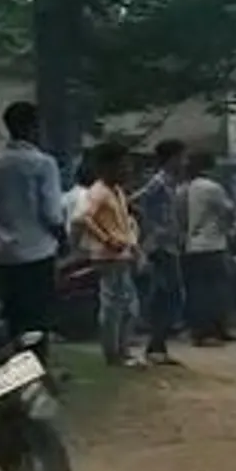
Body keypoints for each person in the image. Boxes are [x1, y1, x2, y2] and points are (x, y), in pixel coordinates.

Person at [0, 101, 66, 358]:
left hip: (5, 254)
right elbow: (52, 213)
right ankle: (37, 370)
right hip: (37, 252)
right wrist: (63, 239)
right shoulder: (43, 163)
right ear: (33, 127)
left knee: (14, 320)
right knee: (38, 320)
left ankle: (15, 370)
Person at [75, 142, 143, 368]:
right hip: (108, 256)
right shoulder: (99, 191)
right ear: (107, 166)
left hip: (121, 255)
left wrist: (133, 247)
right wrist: (106, 239)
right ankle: (114, 354)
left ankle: (122, 351)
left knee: (127, 307)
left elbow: (123, 223)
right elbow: (83, 218)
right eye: (124, 165)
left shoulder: (117, 191)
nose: (128, 170)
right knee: (114, 307)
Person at [130, 140, 188, 366]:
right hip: (160, 246)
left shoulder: (171, 183)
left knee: (170, 295)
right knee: (167, 295)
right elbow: (133, 201)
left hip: (170, 244)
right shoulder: (158, 182)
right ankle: (155, 346)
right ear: (172, 158)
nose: (184, 162)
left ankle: (158, 345)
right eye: (181, 157)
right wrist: (151, 227)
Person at [180, 150, 236, 346]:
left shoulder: (183, 188)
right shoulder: (212, 187)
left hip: (191, 244)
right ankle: (214, 329)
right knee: (217, 290)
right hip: (213, 244)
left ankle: (200, 330)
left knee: (197, 290)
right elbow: (228, 210)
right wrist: (229, 229)